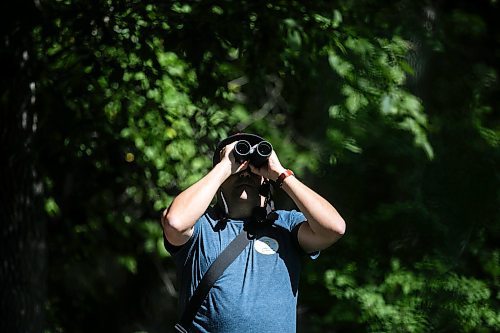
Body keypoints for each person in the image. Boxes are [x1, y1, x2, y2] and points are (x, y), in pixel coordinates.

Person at [162, 133, 346, 333]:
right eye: (238, 163)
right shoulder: (201, 228)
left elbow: (334, 228)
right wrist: (224, 166)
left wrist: (280, 174)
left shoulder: (284, 225)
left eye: (252, 165)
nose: (245, 172)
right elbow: (174, 222)